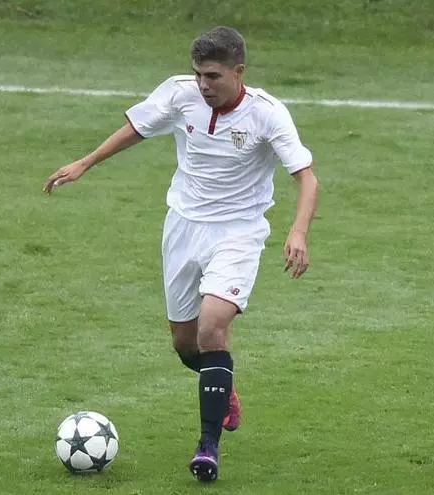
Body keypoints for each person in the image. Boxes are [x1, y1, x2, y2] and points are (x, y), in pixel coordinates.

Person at [43, 26, 319, 482]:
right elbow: (137, 128)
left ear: (238, 71)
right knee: (186, 345)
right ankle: (222, 384)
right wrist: (85, 162)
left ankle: (208, 447)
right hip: (183, 228)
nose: (203, 85)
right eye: (198, 75)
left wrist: (298, 231)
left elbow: (307, 177)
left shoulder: (267, 114)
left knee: (213, 326)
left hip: (238, 232)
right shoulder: (180, 94)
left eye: (213, 76)